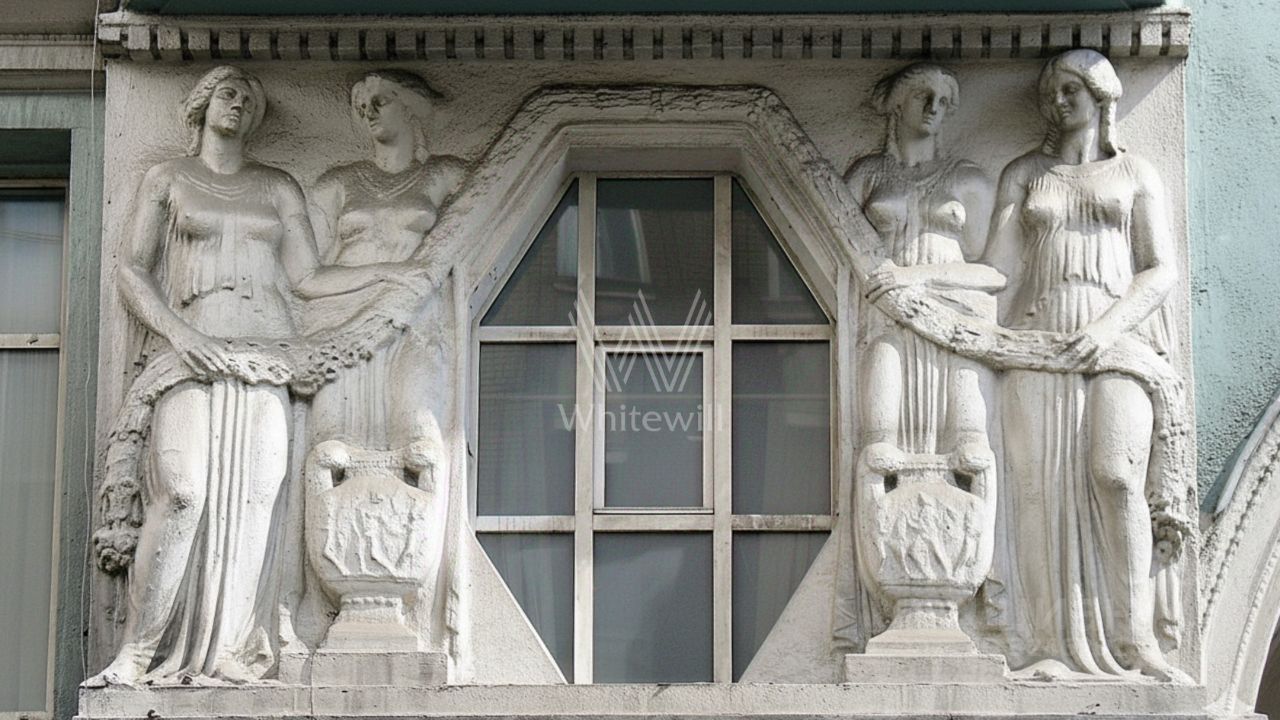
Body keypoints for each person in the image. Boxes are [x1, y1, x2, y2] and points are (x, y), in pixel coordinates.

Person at [91, 66, 411, 685]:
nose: (237, 104)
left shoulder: (276, 186)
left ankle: (232, 649)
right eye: (227, 93)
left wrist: (389, 274)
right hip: (191, 353)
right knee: (183, 492)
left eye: (247, 99)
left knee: (257, 500)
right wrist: (182, 335)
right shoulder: (169, 178)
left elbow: (307, 278)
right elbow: (133, 271)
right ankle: (137, 651)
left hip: (267, 355)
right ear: (202, 105)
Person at [983, 49, 1182, 681]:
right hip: (1037, 339)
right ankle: (1045, 644)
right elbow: (998, 269)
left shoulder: (1135, 172)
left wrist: (1106, 328)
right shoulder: (1025, 173)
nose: (1058, 101)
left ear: (1101, 95)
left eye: (1071, 89)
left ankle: (1136, 640)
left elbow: (1160, 269)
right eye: (1051, 92)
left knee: (1115, 475)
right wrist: (934, 288)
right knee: (1035, 489)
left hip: (1115, 337)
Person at [844, 63, 1002, 479]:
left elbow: (993, 271)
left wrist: (914, 276)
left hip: (954, 314)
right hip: (884, 312)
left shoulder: (968, 179)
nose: (934, 108)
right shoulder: (866, 175)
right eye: (923, 96)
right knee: (880, 439)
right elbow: (841, 252)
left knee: (969, 442)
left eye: (944, 101)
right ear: (897, 105)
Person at [306, 69, 467, 452]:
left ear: (409, 107)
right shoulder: (337, 184)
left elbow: (477, 224)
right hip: (344, 323)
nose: (370, 113)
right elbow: (306, 278)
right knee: (331, 439)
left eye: (380, 102)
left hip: (415, 320)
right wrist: (388, 273)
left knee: (417, 431)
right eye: (363, 107)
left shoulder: (444, 175)